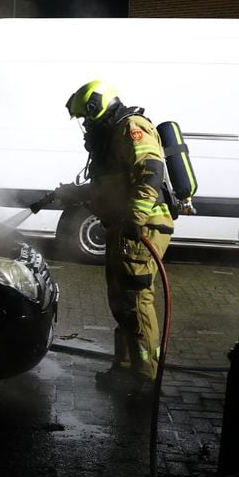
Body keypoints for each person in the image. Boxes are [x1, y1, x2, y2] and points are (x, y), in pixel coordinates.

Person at [59, 80, 178, 393]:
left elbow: (150, 172)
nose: (86, 125)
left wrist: (135, 219)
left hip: (141, 227)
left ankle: (146, 376)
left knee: (136, 301)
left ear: (99, 108)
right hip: (122, 227)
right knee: (121, 301)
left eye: (86, 118)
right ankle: (124, 367)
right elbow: (111, 186)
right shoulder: (112, 136)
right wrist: (73, 193)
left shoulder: (131, 127)